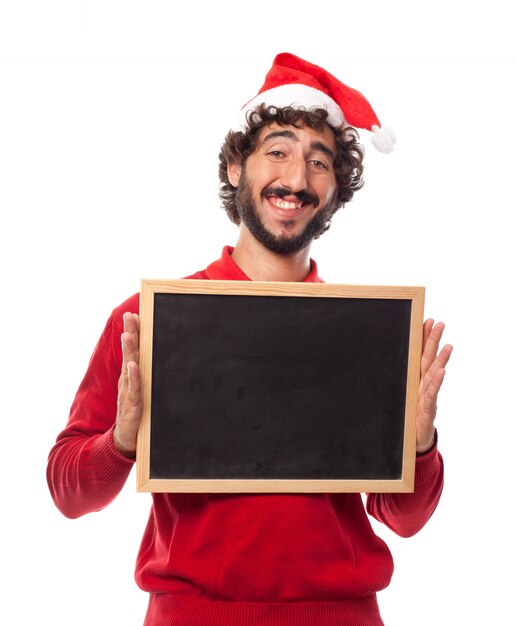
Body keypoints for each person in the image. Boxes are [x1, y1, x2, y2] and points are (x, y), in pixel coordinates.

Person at [47, 52, 453, 626]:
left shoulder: (367, 334)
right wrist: (118, 442)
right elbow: (68, 491)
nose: (295, 179)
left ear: (336, 189)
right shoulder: (146, 320)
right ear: (238, 166)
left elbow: (404, 517)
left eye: (319, 161)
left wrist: (418, 447)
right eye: (278, 151)